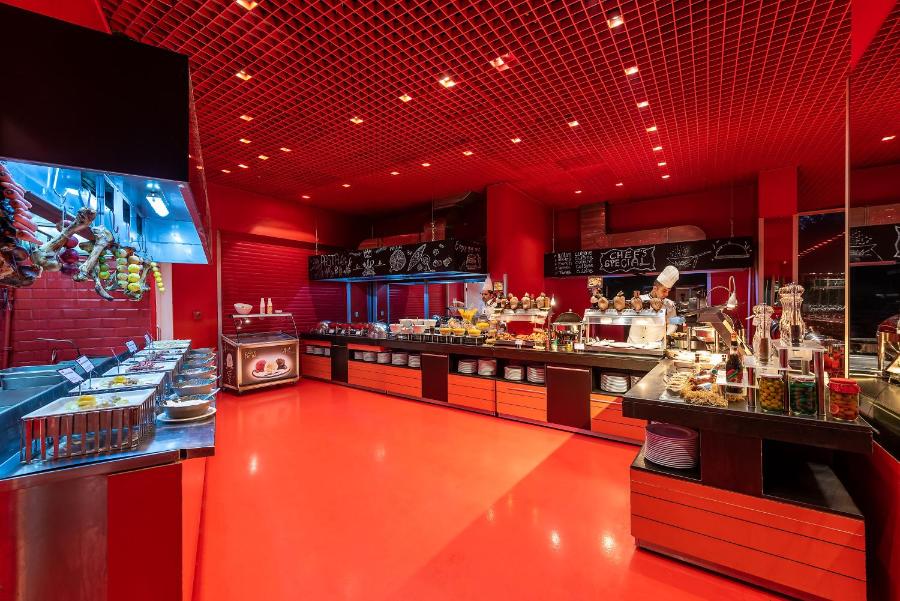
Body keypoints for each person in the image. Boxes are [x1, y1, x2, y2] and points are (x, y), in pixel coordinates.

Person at [627, 265, 679, 346]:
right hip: (634, 343)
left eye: (668, 291)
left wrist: (667, 336)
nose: (667, 294)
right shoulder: (639, 300)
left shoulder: (670, 304)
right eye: (664, 291)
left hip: (656, 345)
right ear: (655, 289)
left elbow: (674, 323)